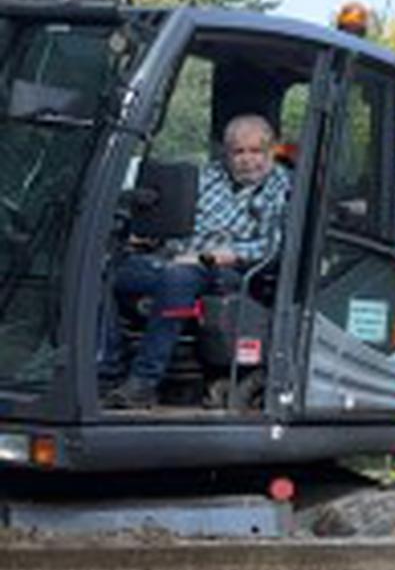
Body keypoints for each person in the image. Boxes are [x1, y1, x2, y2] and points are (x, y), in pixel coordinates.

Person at [101, 113, 291, 409]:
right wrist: (151, 233)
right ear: (226, 153)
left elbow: (270, 247)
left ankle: (144, 381)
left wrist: (208, 257)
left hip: (231, 271)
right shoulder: (206, 176)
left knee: (179, 278)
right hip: (174, 257)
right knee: (101, 272)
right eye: (238, 152)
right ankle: (108, 368)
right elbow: (176, 216)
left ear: (271, 150)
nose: (247, 160)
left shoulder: (281, 187)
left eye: (256, 151)